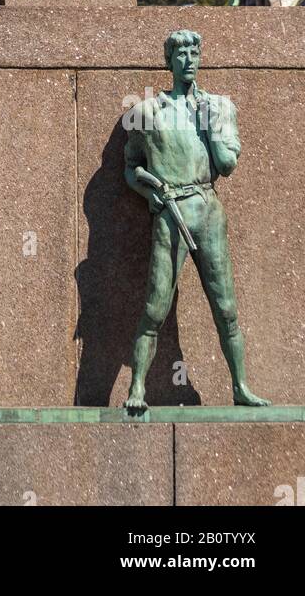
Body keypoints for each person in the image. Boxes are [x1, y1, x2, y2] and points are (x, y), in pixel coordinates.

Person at [124, 29, 269, 414]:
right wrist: (149, 193)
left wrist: (212, 126)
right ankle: (136, 387)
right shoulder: (147, 112)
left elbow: (226, 164)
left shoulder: (220, 107)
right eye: (180, 53)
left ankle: (240, 386)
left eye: (194, 52)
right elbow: (131, 166)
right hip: (171, 214)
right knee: (155, 306)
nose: (188, 59)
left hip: (207, 210)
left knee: (225, 307)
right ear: (168, 60)